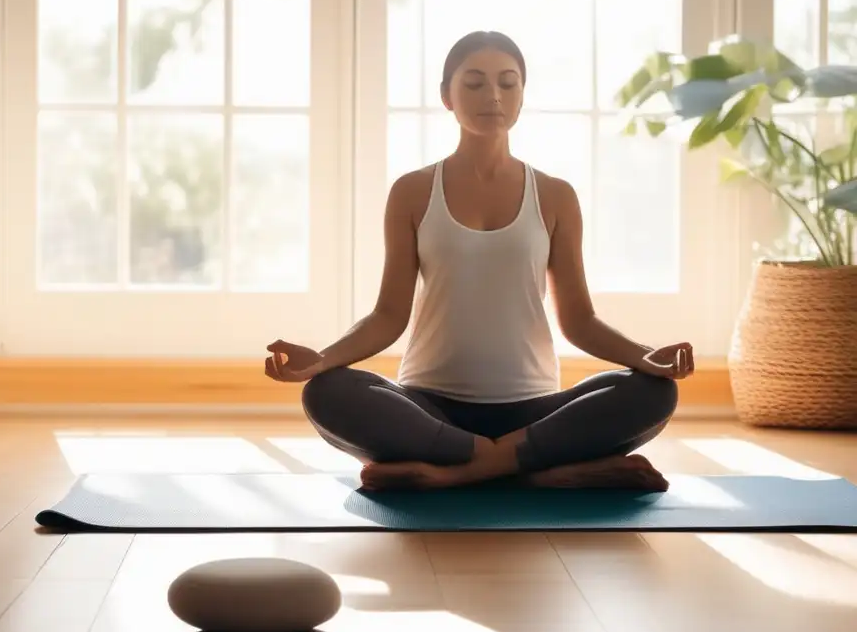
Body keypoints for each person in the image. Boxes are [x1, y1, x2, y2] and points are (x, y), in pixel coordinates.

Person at [263, 30, 694, 493]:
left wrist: (645, 358)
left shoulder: (555, 196)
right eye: (474, 83)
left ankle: (463, 472)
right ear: (446, 96)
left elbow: (580, 320)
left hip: (533, 410)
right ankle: (532, 469)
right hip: (431, 410)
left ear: (522, 95)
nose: (493, 95)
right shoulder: (412, 192)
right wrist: (322, 360)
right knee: (327, 393)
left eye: (508, 83)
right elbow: (389, 316)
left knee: (654, 392)